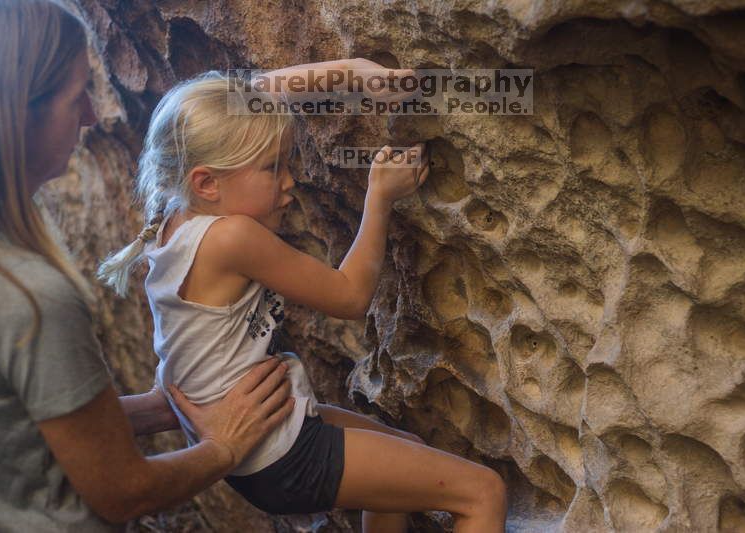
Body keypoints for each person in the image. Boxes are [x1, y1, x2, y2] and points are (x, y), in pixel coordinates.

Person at [97, 69, 508, 532]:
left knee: (403, 454)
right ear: (207, 182)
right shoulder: (230, 237)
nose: (291, 181)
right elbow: (350, 296)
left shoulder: (176, 221)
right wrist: (380, 195)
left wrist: (359, 73)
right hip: (280, 450)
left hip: (267, 444)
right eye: (274, 167)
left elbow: (253, 92)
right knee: (482, 491)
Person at [0, 0, 303, 530]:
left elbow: (15, 421)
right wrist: (224, 445)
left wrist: (164, 405)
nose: (90, 114)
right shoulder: (30, 295)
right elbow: (124, 492)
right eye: (74, 95)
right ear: (18, 115)